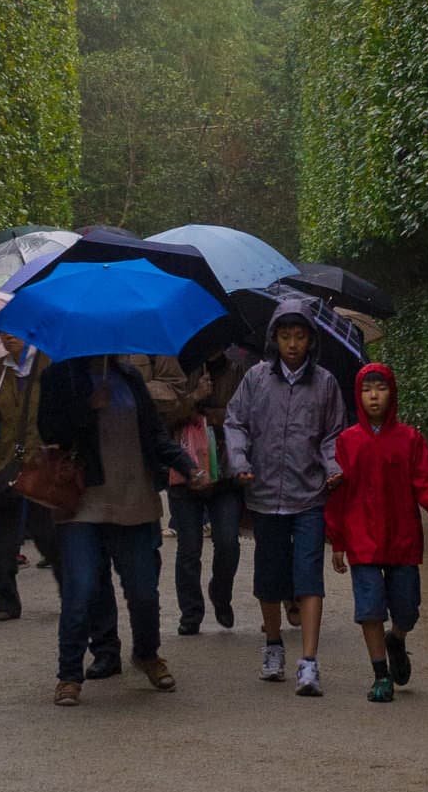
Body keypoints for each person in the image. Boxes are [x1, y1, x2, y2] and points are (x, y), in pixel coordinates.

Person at [38, 350, 190, 705]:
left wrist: (185, 464)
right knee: (81, 589)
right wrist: (86, 408)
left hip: (133, 499)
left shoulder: (129, 378)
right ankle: (69, 675)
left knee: (143, 591)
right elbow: (48, 431)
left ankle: (147, 654)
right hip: (82, 502)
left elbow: (154, 434)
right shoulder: (59, 376)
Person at [222, 292, 345, 696]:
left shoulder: (326, 384)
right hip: (264, 492)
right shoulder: (255, 378)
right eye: (286, 336)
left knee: (309, 576)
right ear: (274, 338)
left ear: (312, 340)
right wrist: (239, 459)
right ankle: (273, 645)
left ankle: (309, 662)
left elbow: (332, 435)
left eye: (300, 336)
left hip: (309, 494)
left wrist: (333, 466)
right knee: (269, 578)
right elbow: (235, 421)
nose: (293, 344)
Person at [326, 360, 428, 698]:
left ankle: (397, 637)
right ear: (358, 396)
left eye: (381, 389)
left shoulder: (409, 439)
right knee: (369, 607)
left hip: (402, 536)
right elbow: (337, 493)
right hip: (361, 536)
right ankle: (380, 674)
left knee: (408, 608)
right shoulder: (347, 442)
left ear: (392, 393)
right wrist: (337, 539)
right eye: (367, 390)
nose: (374, 396)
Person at [142, 347, 249, 635]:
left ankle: (220, 592)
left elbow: (246, 414)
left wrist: (215, 415)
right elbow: (161, 420)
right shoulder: (178, 367)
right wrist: (194, 397)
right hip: (185, 470)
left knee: (228, 542)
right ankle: (191, 613)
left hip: (224, 473)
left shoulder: (237, 370)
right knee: (189, 549)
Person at [0, 334, 51, 620]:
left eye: (13, 329)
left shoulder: (48, 363)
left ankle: (71, 591)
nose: (7, 336)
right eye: (1, 331)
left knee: (47, 532)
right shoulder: (0, 368)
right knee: (3, 534)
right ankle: (5, 601)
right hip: (6, 459)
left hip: (41, 458)